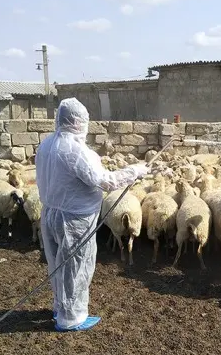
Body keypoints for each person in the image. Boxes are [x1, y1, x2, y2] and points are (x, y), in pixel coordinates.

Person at [35, 97, 149, 332]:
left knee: (57, 263)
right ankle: (71, 318)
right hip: (75, 219)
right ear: (79, 122)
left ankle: (60, 306)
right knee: (75, 267)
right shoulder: (75, 150)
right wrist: (134, 171)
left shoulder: (47, 144)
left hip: (50, 213)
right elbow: (104, 180)